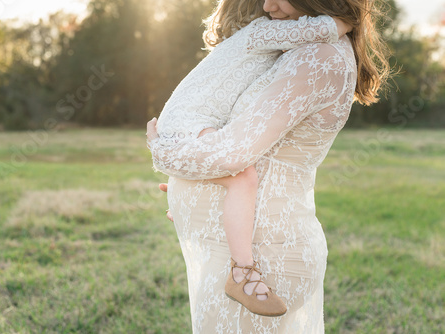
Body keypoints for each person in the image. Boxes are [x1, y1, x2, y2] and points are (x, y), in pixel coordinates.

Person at [148, 0, 389, 332]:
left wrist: (161, 150)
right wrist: (190, 191)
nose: (267, 4)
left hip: (266, 257)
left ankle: (243, 270)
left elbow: (233, 153)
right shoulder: (296, 48)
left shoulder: (319, 57)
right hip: (246, 247)